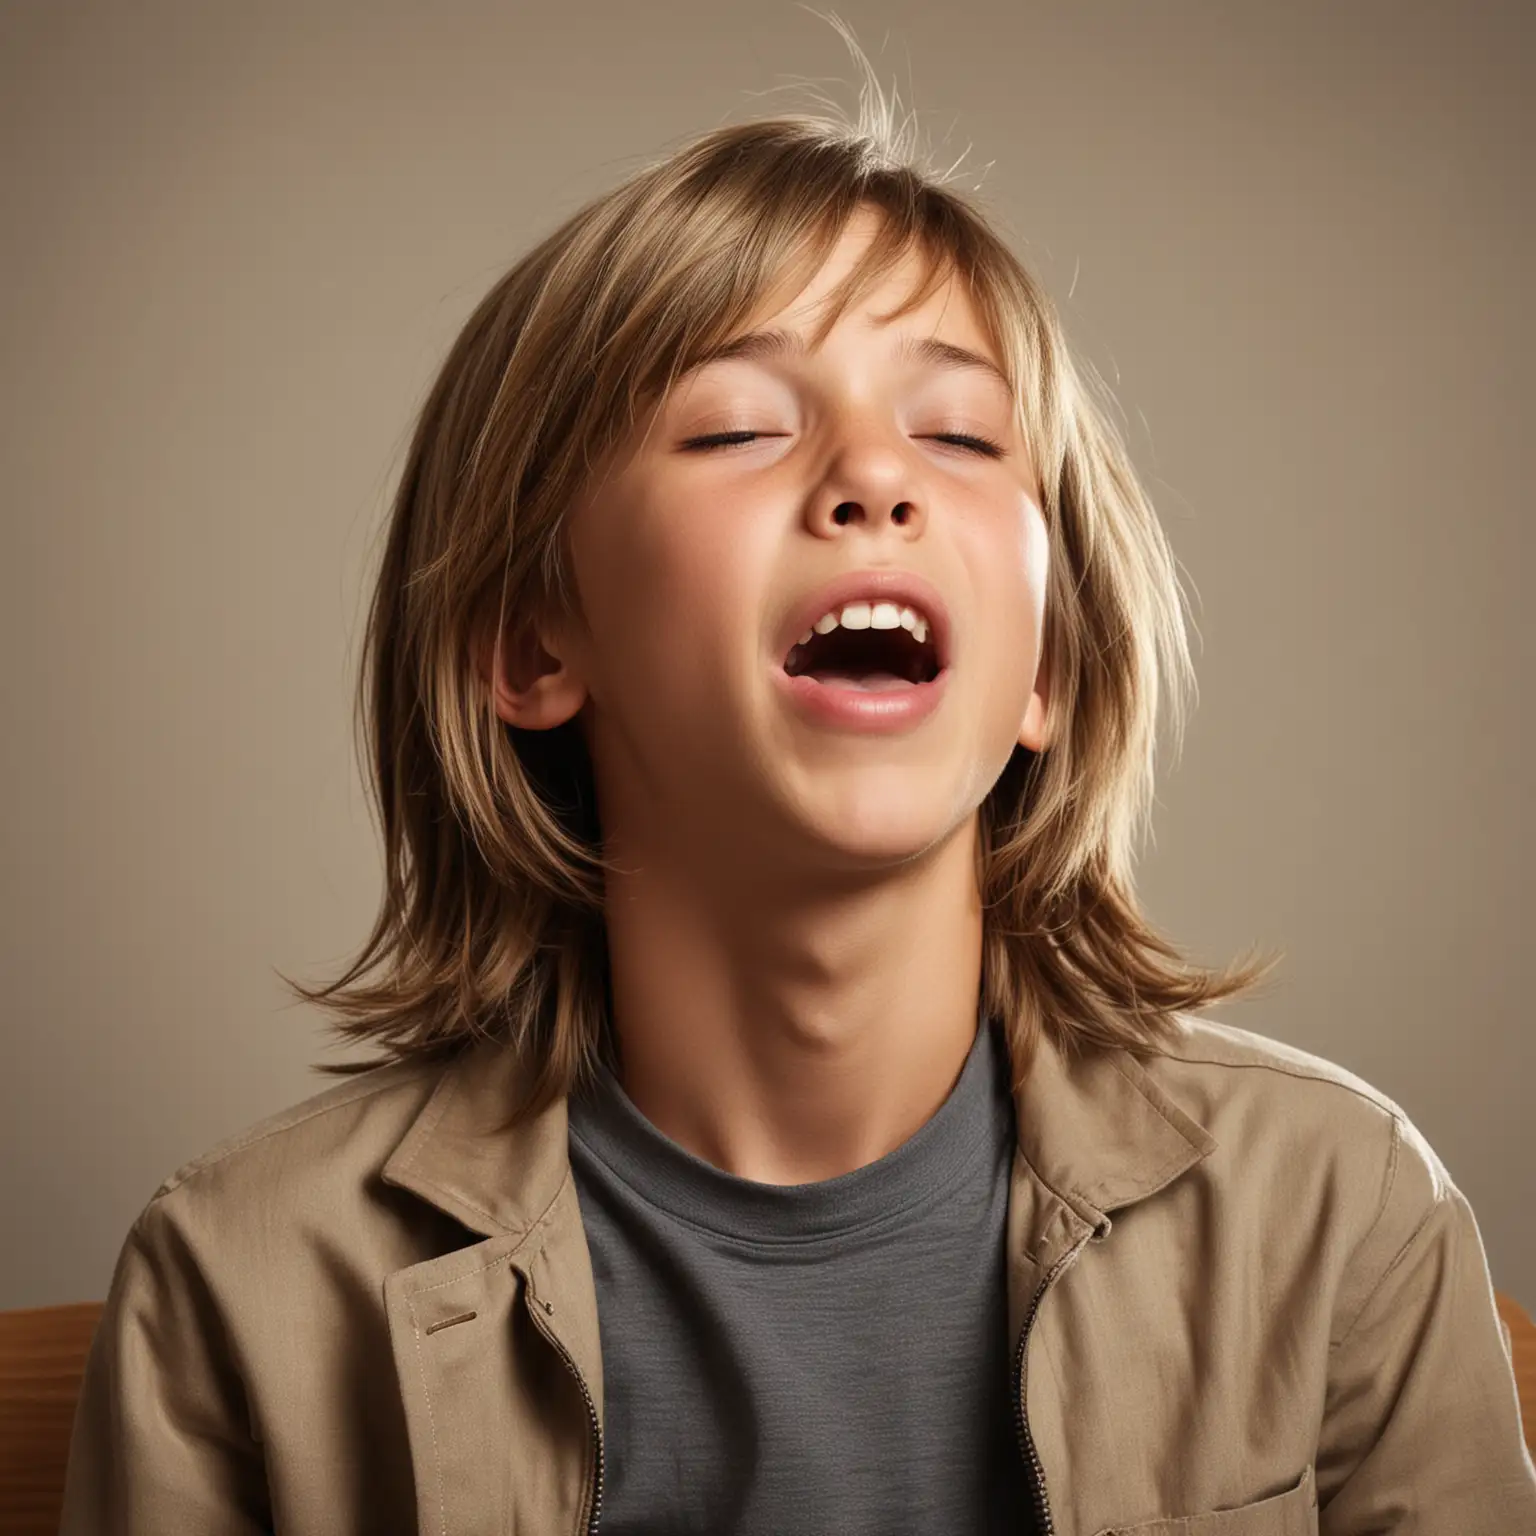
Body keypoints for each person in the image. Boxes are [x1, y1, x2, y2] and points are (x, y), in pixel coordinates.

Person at [59, 43, 1536, 1536]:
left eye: (959, 434)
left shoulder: (1341, 1217)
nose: (875, 480)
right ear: (529, 643)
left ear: (1047, 673)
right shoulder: (238, 1288)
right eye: (736, 427)